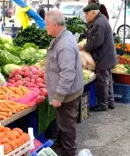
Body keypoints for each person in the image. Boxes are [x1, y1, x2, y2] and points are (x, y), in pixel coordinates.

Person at [45, 10, 83, 156]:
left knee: (67, 126)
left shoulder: (64, 44)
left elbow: (68, 73)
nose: (45, 27)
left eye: (47, 24)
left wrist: (59, 95)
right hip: (69, 91)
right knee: (63, 122)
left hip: (68, 94)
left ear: (54, 25)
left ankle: (68, 152)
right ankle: (60, 145)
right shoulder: (63, 36)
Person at [79, 3, 117, 111]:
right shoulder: (101, 19)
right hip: (107, 55)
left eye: (87, 14)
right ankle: (110, 102)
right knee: (107, 80)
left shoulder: (99, 23)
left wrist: (83, 47)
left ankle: (103, 105)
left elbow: (96, 42)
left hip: (103, 57)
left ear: (93, 13)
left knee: (103, 81)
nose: (86, 16)